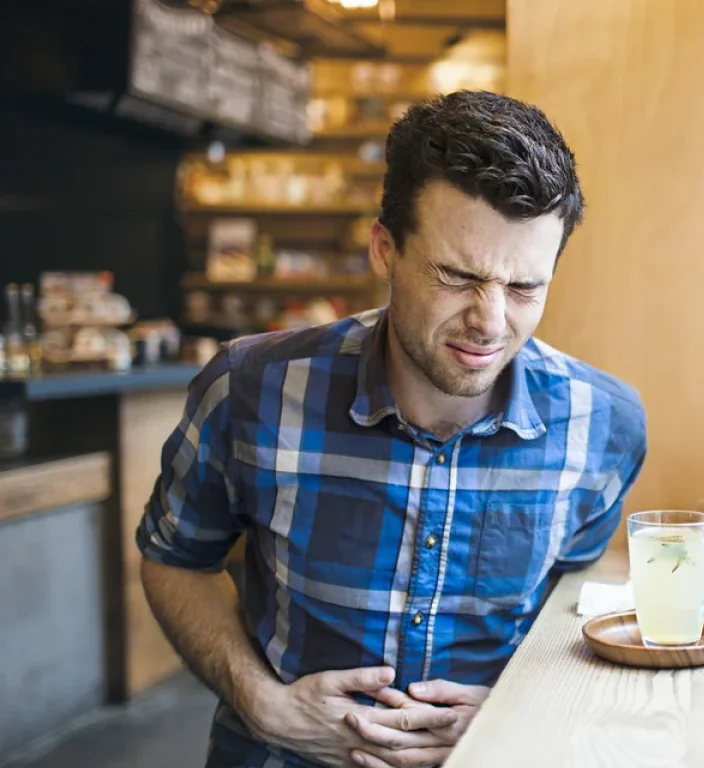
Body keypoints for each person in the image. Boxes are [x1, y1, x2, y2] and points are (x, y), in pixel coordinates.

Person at [137, 91, 648, 768]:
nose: (491, 321)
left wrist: (521, 709)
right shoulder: (251, 388)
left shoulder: (605, 426)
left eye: (525, 287)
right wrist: (263, 701)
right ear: (385, 249)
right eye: (457, 275)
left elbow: (570, 611)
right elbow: (176, 559)